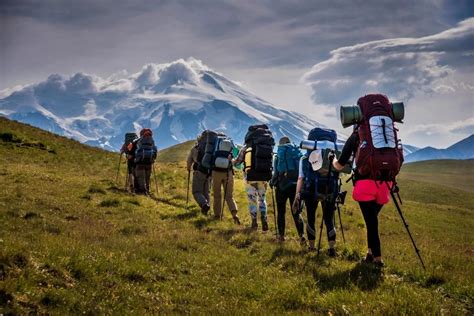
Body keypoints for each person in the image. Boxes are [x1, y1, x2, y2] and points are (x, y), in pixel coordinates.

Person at [332, 128, 389, 267]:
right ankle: (370, 254)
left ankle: (378, 259)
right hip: (386, 183)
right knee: (372, 219)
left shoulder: (356, 136)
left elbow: (339, 165)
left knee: (371, 222)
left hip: (366, 184)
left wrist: (332, 160)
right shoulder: (385, 132)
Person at [292, 128, 339, 256]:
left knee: (311, 218)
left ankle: (312, 247)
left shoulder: (304, 158)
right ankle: (332, 249)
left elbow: (300, 178)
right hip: (330, 188)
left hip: (310, 189)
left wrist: (297, 195)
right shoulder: (333, 156)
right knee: (329, 219)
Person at [233, 124, 274, 231]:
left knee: (252, 200)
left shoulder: (246, 147)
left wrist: (230, 160)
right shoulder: (268, 146)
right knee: (262, 199)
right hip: (264, 178)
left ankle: (254, 222)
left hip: (249, 178)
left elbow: (237, 162)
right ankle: (264, 220)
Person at [270, 136, 305, 243]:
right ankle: (301, 236)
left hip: (282, 186)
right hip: (296, 187)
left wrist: (272, 182)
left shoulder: (279, 156)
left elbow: (276, 173)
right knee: (296, 212)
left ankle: (281, 236)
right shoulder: (297, 155)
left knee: (281, 212)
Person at [210, 135, 240, 224]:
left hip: (216, 173)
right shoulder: (230, 149)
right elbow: (234, 159)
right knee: (229, 196)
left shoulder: (216, 148)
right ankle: (234, 215)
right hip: (228, 173)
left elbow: (211, 160)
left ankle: (217, 215)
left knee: (217, 195)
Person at [186, 133, 211, 215]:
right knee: (206, 192)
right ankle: (206, 209)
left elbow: (189, 160)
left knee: (196, 191)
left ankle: (204, 204)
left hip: (199, 172)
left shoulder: (195, 148)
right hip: (209, 173)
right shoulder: (210, 148)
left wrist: (189, 168)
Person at [128, 128, 157, 195]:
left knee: (140, 178)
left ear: (141, 134)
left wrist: (131, 156)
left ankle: (141, 192)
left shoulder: (137, 141)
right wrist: (153, 158)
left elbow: (131, 152)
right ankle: (147, 191)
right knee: (147, 178)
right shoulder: (152, 141)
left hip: (139, 162)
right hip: (149, 162)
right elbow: (155, 150)